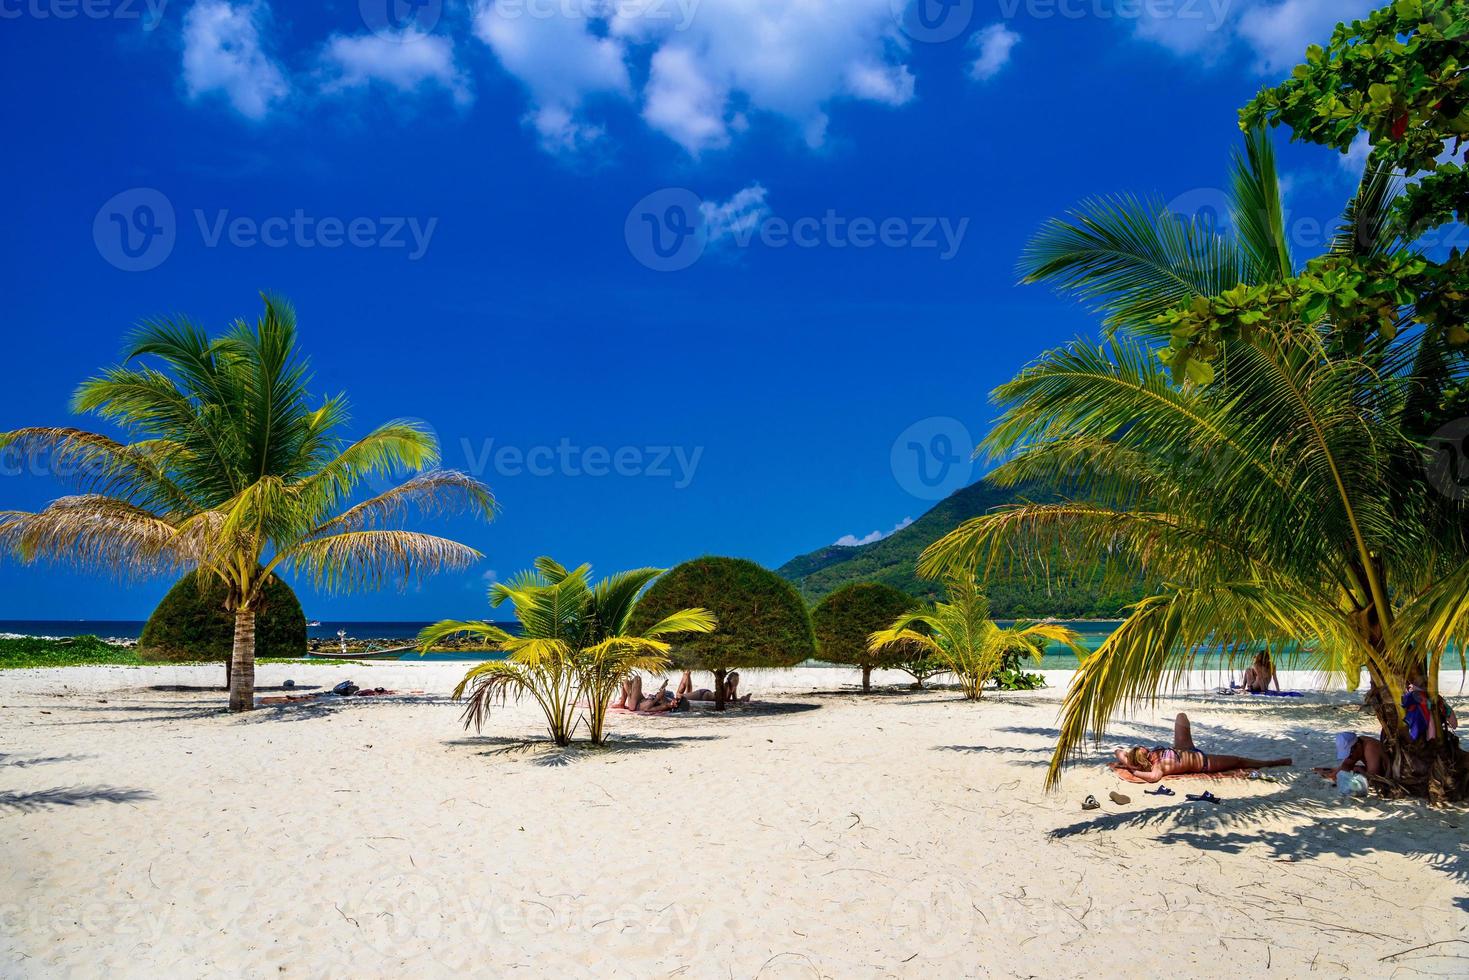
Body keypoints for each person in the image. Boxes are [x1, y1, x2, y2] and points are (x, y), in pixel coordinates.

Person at [1112, 712, 1292, 782]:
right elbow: (1153, 777)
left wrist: (1129, 763)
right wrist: (1135, 771)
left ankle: (1270, 762)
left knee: (1181, 717)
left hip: (1182, 748)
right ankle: (1271, 763)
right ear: (1144, 759)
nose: (1147, 748)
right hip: (1202, 761)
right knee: (1237, 761)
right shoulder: (1157, 766)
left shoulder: (1142, 757)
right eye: (1145, 750)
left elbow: (1118, 752)